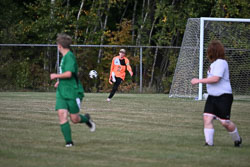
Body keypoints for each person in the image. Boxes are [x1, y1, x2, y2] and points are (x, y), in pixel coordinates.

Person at [191, 40, 242, 147]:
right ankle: (209, 143)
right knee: (207, 118)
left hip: (224, 97)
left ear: (213, 52)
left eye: (209, 50)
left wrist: (198, 80)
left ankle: (237, 139)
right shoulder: (214, 64)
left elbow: (216, 79)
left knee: (225, 123)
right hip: (212, 97)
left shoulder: (221, 63)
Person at [50, 33, 95, 147]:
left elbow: (69, 74)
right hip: (62, 91)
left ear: (59, 45)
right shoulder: (65, 57)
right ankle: (69, 142)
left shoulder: (69, 57)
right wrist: (59, 81)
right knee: (62, 114)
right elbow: (67, 74)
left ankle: (87, 120)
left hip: (73, 92)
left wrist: (56, 76)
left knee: (74, 119)